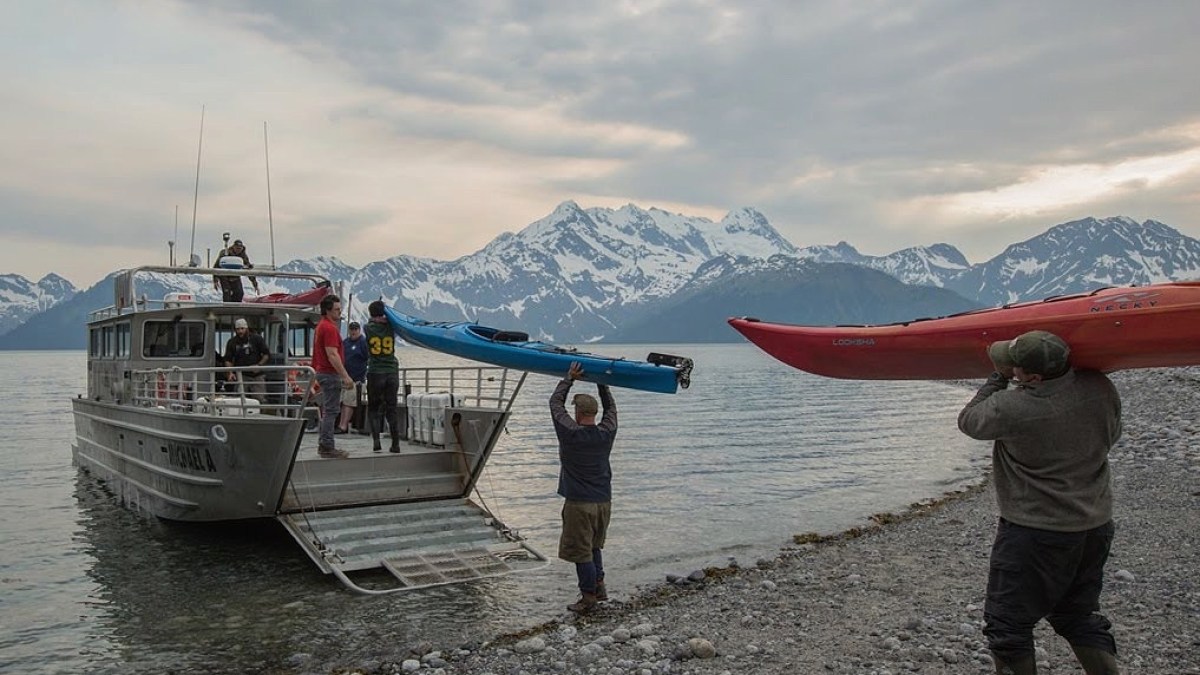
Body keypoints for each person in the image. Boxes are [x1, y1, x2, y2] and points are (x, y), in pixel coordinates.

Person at [957, 330, 1123, 675]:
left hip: (1035, 533)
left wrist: (998, 377)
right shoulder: (1100, 389)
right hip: (1094, 526)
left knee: (1007, 626)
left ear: (1032, 377)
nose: (1011, 370)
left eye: (1016, 367)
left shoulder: (1013, 407)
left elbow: (970, 420)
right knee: (1077, 615)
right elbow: (1113, 434)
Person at [550, 361, 618, 613]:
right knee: (594, 545)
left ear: (578, 413)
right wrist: (603, 383)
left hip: (580, 503)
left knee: (581, 552)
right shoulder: (607, 431)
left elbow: (555, 405)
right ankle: (599, 586)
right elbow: (612, 409)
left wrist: (569, 378)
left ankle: (588, 597)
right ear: (594, 413)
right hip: (604, 502)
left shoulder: (571, 433)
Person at [312, 294, 353, 459]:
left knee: (328, 410)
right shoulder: (329, 328)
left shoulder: (321, 326)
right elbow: (332, 354)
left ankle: (325, 443)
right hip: (329, 373)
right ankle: (327, 446)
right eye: (336, 309)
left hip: (322, 371)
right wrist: (345, 376)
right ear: (328, 311)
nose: (339, 312)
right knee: (331, 411)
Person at [364, 301, 402, 452]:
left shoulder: (367, 328)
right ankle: (396, 443)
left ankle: (376, 442)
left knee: (373, 408)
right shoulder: (391, 326)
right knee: (391, 408)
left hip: (375, 370)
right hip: (391, 370)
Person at [222, 318, 270, 402]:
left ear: (247, 328)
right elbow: (228, 359)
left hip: (257, 376)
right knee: (239, 399)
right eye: (238, 329)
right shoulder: (232, 342)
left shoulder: (257, 339)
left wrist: (259, 365)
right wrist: (230, 372)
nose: (240, 331)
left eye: (242, 329)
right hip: (241, 375)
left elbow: (266, 354)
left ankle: (260, 413)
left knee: (259, 399)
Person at [337, 320, 368, 433]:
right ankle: (339, 424)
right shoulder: (345, 343)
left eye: (355, 329)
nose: (353, 331)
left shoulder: (363, 343)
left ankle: (343, 426)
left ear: (359, 330)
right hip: (344, 378)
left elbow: (368, 359)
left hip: (356, 380)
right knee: (340, 401)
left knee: (348, 402)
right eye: (351, 329)